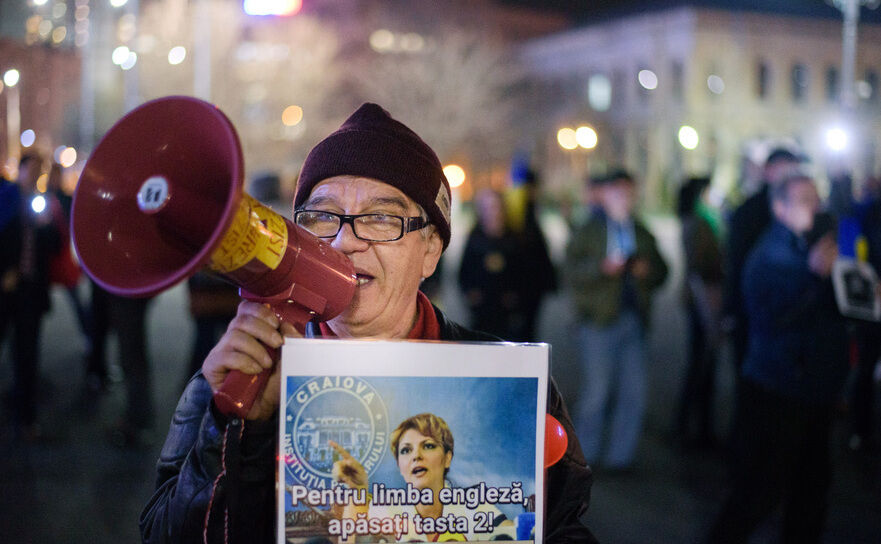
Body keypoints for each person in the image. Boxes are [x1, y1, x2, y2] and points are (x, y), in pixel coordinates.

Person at [140, 103, 597, 543]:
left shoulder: (511, 384)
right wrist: (235, 428)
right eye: (321, 216)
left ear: (431, 250)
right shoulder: (237, 378)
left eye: (381, 218)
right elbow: (164, 532)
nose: (345, 240)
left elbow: (563, 528)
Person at [707, 174, 848, 543]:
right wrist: (816, 278)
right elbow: (776, 317)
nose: (814, 208)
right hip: (780, 387)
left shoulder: (808, 246)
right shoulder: (770, 255)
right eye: (804, 200)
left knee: (811, 488)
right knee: (760, 489)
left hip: (812, 389)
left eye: (817, 200)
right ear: (779, 208)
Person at [565, 170, 668, 471]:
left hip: (633, 319)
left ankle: (620, 458)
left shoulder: (642, 231)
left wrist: (646, 272)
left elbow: (663, 272)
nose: (624, 200)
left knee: (633, 392)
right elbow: (571, 272)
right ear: (605, 195)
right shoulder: (590, 230)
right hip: (598, 322)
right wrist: (601, 268)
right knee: (597, 392)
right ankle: (584, 457)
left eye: (628, 193)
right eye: (617, 193)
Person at [331, 413, 513, 541]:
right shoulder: (388, 510)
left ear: (447, 458)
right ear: (400, 467)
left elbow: (513, 536)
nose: (416, 456)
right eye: (406, 450)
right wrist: (357, 489)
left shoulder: (474, 506)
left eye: (428, 446)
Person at [724, 147, 803, 373]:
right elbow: (736, 263)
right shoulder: (749, 212)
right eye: (784, 172)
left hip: (783, 312)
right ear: (768, 172)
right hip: (750, 311)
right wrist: (732, 310)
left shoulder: (797, 212)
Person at [0, 152, 61, 439]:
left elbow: (56, 247)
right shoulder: (6, 199)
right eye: (32, 169)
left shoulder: (44, 202)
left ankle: (25, 417)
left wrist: (46, 224)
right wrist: (6, 271)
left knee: (27, 354)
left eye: (41, 171)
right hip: (5, 289)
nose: (36, 176)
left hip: (31, 291)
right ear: (21, 170)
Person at [675, 177, 724, 449]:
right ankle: (693, 427)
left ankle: (687, 425)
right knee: (702, 363)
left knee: (699, 363)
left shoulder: (692, 221)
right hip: (704, 299)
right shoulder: (700, 224)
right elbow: (705, 264)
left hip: (697, 297)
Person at [458, 189, 534, 340]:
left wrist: (516, 297)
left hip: (508, 312)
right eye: (486, 208)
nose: (491, 212)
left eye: (494, 207)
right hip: (482, 311)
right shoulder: (475, 238)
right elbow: (463, 272)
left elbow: (525, 273)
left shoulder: (514, 239)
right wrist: (471, 294)